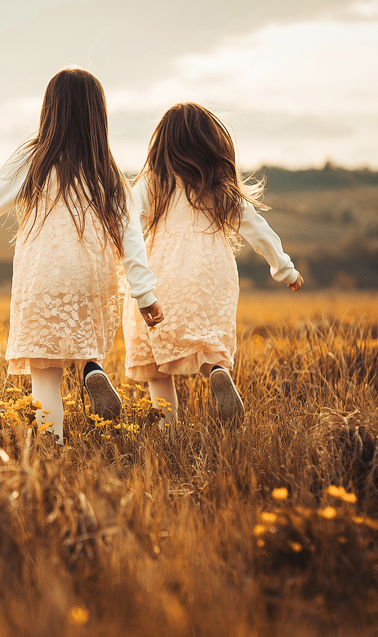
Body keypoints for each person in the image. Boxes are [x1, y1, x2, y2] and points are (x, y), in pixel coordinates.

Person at [0, 68, 164, 445]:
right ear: (98, 115)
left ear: (51, 109)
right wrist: (145, 295)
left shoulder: (35, 158)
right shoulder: (109, 172)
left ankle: (53, 445)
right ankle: (91, 368)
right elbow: (131, 239)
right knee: (85, 342)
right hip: (94, 279)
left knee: (45, 372)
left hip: (44, 276)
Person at [121, 102, 302, 432]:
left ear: (162, 143)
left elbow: (128, 222)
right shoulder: (219, 187)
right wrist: (285, 268)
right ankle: (216, 370)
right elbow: (257, 228)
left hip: (163, 272)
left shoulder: (153, 182)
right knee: (207, 344)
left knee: (157, 364)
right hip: (211, 274)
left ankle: (168, 433)